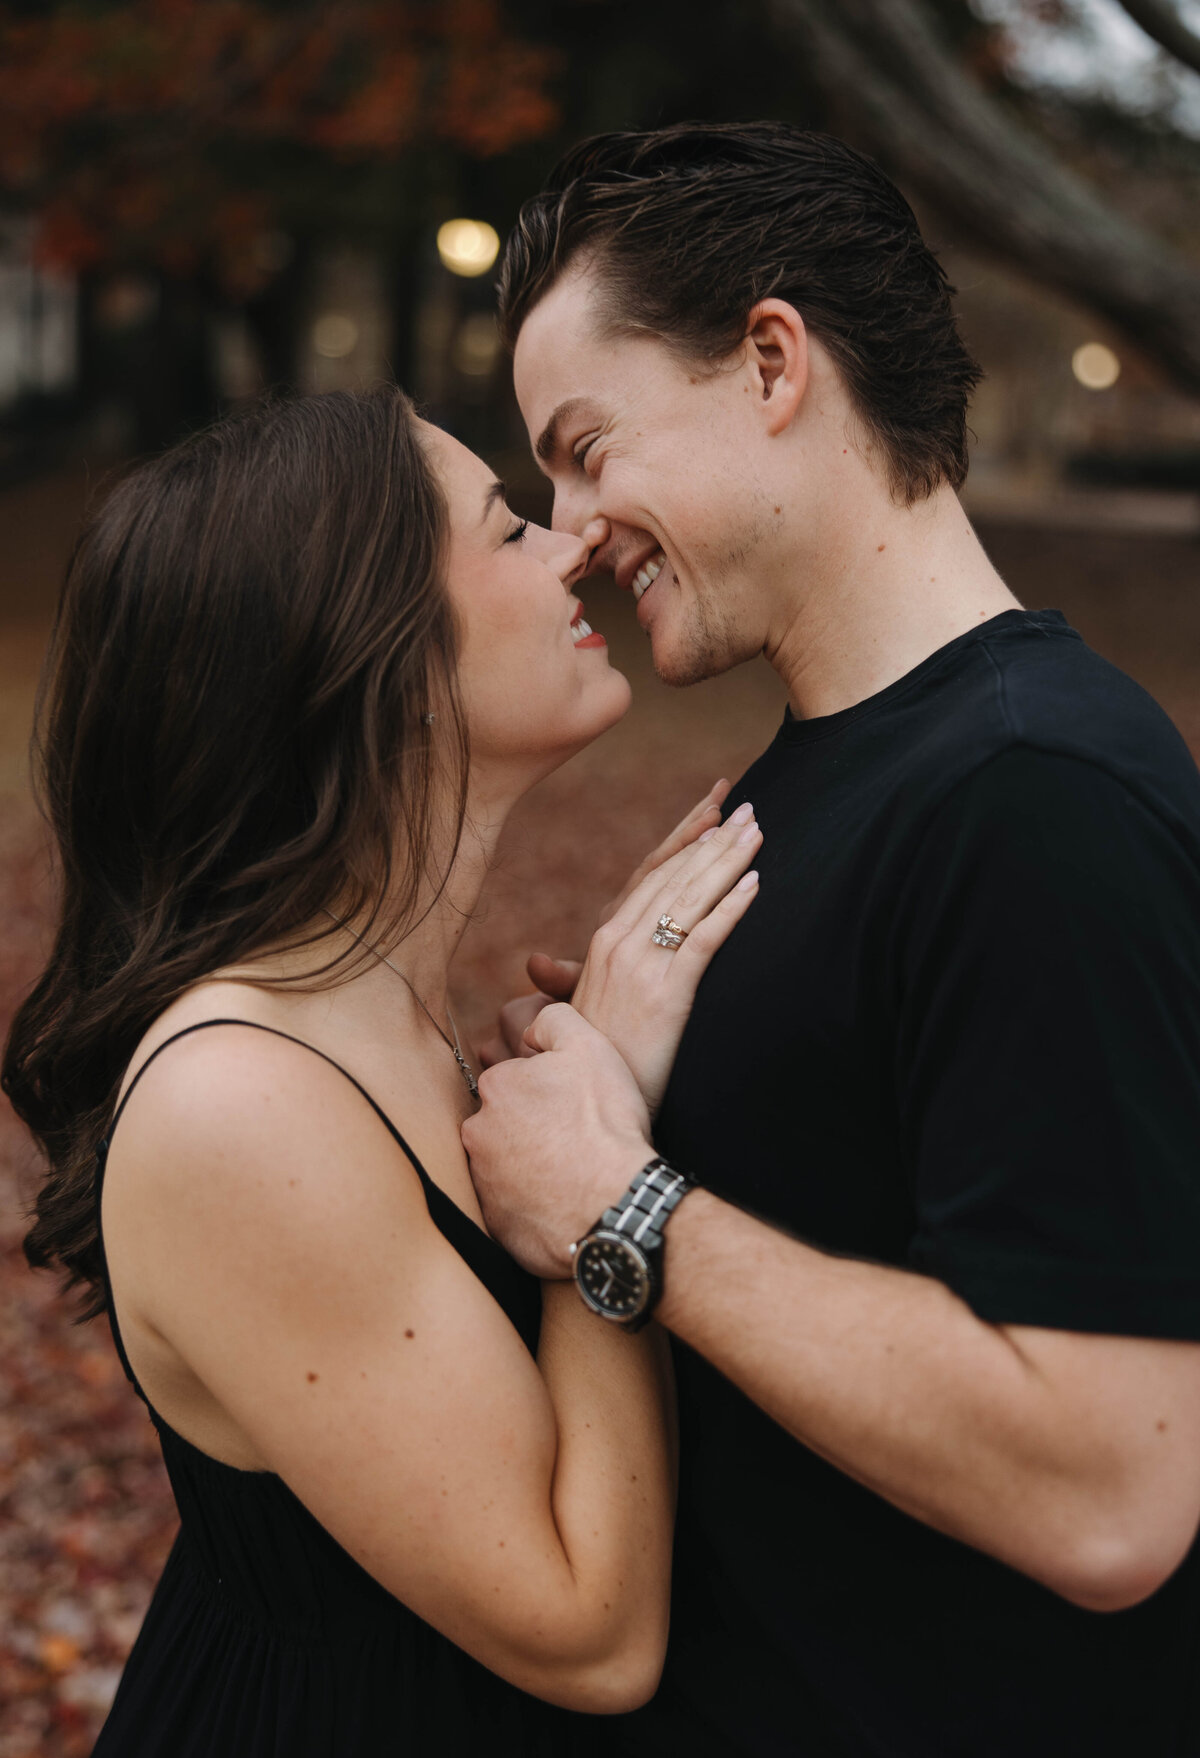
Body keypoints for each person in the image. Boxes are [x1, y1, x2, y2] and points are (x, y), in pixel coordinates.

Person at [463, 122, 1200, 1756]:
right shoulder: (842, 773)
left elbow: (1113, 1486)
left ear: (774, 361)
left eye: (588, 447)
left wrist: (619, 1199)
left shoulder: (1032, 795)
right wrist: (645, 1067)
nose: (571, 527)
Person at [0, 385, 764, 1755]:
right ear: (373, 650)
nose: (569, 543)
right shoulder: (240, 1100)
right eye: (505, 527)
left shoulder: (368, 1015)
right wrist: (604, 1166)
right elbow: (588, 1634)